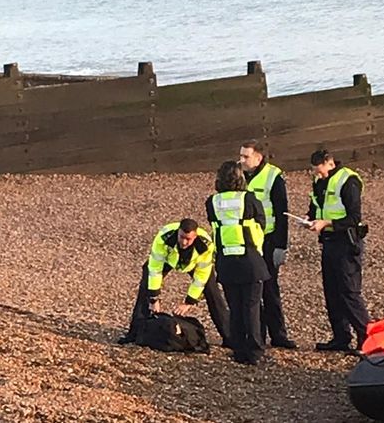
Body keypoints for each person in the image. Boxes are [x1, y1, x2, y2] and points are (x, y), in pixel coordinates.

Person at [118, 218, 230, 346]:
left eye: (188, 239)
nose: (183, 242)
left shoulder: (205, 246)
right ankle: (135, 333)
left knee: (213, 294)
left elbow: (200, 278)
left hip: (194, 264)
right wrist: (154, 298)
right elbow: (155, 269)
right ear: (178, 232)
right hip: (168, 260)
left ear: (195, 236)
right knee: (146, 287)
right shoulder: (164, 237)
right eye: (181, 237)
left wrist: (189, 302)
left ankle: (230, 337)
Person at [305, 149, 371, 353]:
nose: (318, 175)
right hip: (329, 241)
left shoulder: (348, 181)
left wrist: (327, 222)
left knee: (349, 292)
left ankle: (366, 338)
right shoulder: (318, 181)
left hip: (347, 243)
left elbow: (354, 217)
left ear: (329, 163)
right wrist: (309, 218)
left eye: (321, 171)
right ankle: (340, 337)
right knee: (331, 292)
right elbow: (316, 207)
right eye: (315, 172)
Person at [206, 160, 269, 365]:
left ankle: (239, 349)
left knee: (235, 307)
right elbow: (262, 224)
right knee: (251, 307)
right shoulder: (248, 199)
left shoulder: (212, 202)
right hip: (249, 259)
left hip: (226, 259)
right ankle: (255, 350)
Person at [239, 140, 297, 350]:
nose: (242, 160)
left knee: (270, 289)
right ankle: (257, 334)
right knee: (250, 289)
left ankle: (278, 335)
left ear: (258, 157)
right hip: (246, 240)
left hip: (268, 239)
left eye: (246, 156)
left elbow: (282, 213)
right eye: (241, 156)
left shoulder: (274, 177)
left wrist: (281, 246)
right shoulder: (238, 175)